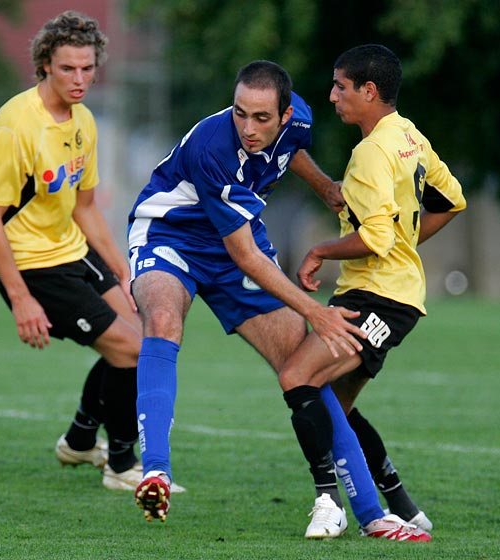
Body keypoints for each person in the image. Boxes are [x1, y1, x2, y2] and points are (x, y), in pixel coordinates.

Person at [127, 60, 424, 538]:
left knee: (303, 371)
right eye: (240, 114)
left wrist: (326, 185)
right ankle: (155, 470)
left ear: (286, 114)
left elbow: (291, 152)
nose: (248, 127)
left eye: (262, 118)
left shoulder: (298, 119)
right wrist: (314, 310)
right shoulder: (214, 148)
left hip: (234, 241)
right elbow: (245, 256)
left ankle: (372, 515)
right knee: (163, 319)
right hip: (171, 236)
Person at [279, 43, 466, 541]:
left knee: (297, 376)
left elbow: (378, 238)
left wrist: (319, 249)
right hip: (394, 294)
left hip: (376, 296)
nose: (333, 95)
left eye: (341, 86)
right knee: (338, 407)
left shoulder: (371, 151)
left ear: (370, 90)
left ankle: (329, 503)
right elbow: (451, 201)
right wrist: (404, 245)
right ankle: (403, 506)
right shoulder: (409, 136)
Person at [0, 10, 147, 491]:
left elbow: (86, 208)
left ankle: (78, 440)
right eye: (68, 68)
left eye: (88, 68)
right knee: (129, 348)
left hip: (73, 251)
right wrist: (20, 298)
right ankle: (119, 465)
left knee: (143, 341)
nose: (79, 79)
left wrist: (123, 271)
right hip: (30, 266)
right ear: (45, 64)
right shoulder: (14, 127)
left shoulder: (84, 121)